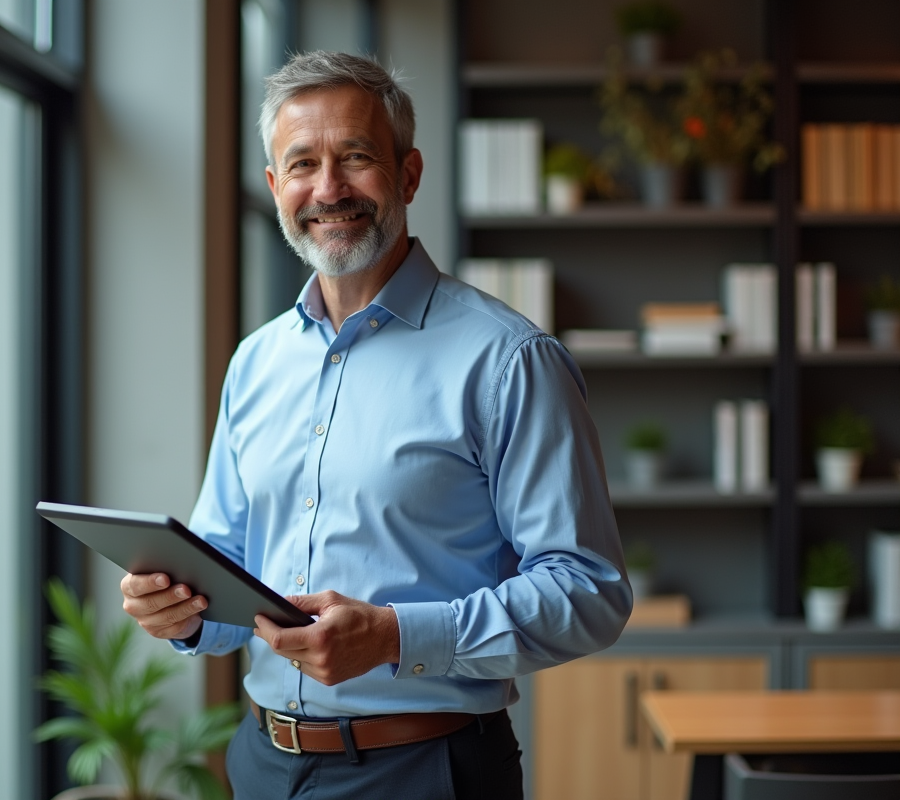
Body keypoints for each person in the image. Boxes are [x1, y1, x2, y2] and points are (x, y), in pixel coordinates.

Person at [120, 51, 631, 799]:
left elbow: (588, 591)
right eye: (301, 165)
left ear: (409, 174)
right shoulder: (255, 362)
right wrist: (182, 610)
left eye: (355, 157)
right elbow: (230, 565)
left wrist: (396, 636)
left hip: (425, 769)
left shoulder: (509, 360)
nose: (328, 189)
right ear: (274, 187)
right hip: (261, 763)